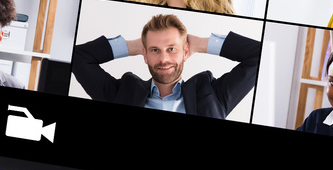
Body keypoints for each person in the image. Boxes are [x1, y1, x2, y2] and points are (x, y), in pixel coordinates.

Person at [69, 15, 262, 116]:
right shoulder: (121, 92)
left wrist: (202, 44)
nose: (163, 59)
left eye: (171, 49)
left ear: (185, 52)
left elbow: (258, 56)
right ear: (144, 54)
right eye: (155, 50)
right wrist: (136, 46)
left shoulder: (212, 94)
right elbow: (78, 57)